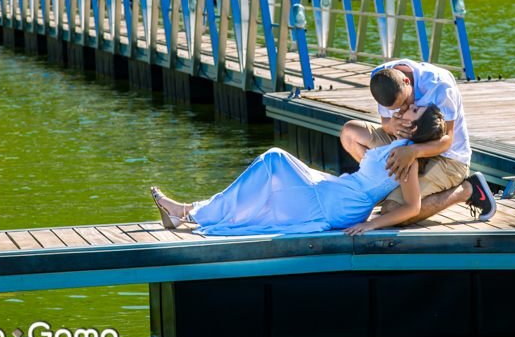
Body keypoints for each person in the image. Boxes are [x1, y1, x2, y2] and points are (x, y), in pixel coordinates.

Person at [150, 104, 447, 236]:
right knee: (271, 184)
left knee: (274, 160)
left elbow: (412, 207)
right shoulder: (396, 144)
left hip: (342, 204)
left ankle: (188, 212)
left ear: (414, 127)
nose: (407, 107)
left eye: (413, 111)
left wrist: (372, 224)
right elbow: (356, 130)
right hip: (338, 190)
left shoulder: (406, 158)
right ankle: (188, 212)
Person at [339, 59, 496, 224]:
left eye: (405, 103)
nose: (403, 109)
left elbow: (447, 140)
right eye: (396, 109)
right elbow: (385, 122)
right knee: (350, 133)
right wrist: (391, 126)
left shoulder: (439, 85)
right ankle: (382, 188)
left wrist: (412, 152)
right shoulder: (381, 77)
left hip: (447, 157)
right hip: (406, 142)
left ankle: (467, 190)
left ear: (407, 82)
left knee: (393, 211)